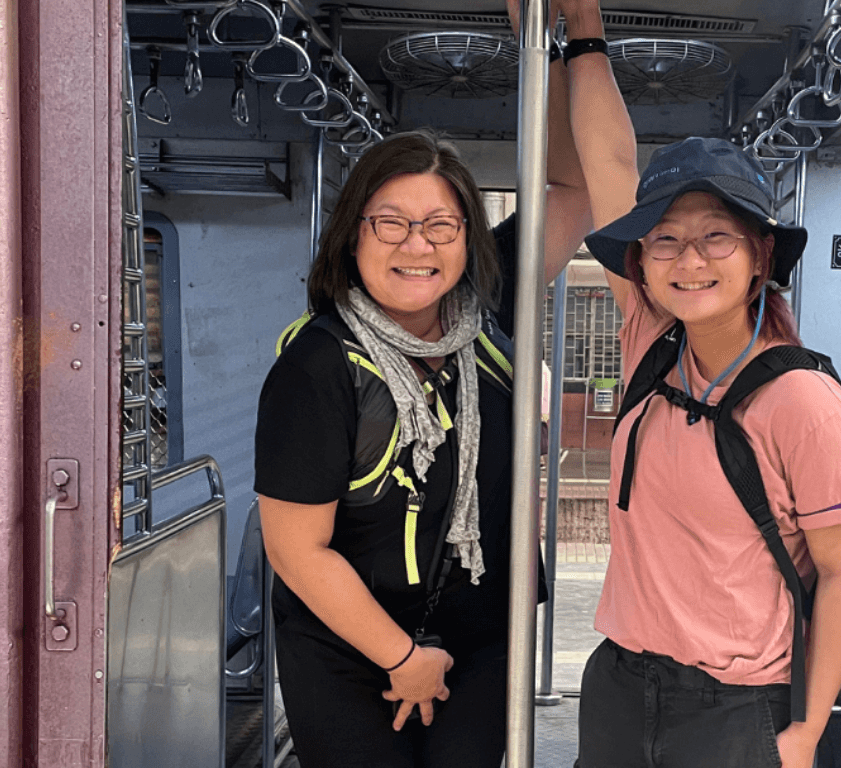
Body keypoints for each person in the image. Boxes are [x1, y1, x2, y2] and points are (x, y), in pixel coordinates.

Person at [252, 3, 629, 765]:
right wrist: (400, 657)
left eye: (441, 226)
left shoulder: (485, 309)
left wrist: (567, 43)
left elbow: (574, 189)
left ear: (466, 239)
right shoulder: (315, 366)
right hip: (348, 650)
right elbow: (298, 554)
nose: (415, 246)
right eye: (389, 223)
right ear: (352, 234)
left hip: (482, 638)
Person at [573, 137, 841, 768]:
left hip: (738, 710)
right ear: (640, 262)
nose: (689, 259)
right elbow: (605, 166)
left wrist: (805, 731)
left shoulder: (806, 404)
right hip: (619, 689)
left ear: (760, 256)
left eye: (717, 236)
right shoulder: (652, 352)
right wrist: (583, 38)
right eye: (664, 238)